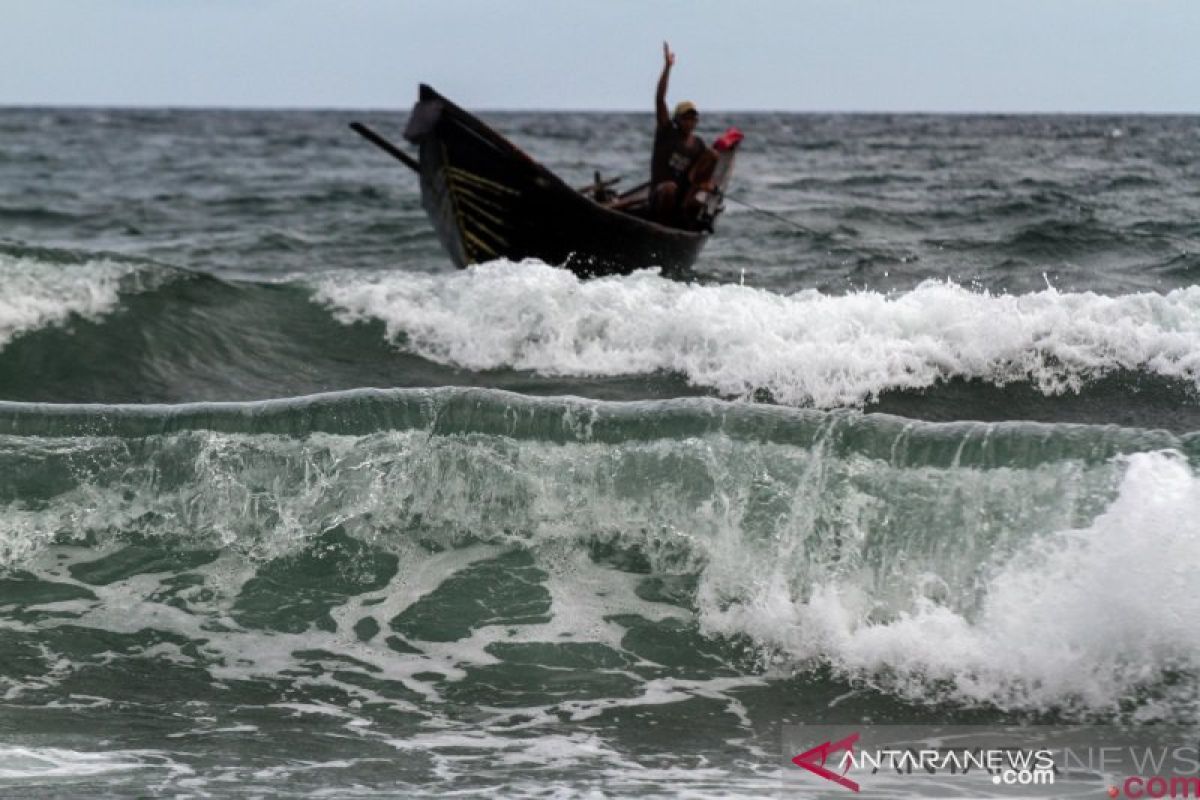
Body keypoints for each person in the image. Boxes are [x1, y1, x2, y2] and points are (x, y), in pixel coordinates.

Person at [650, 42, 717, 226]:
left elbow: (702, 171)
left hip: (683, 198)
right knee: (669, 188)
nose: (689, 122)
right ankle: (661, 226)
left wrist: (707, 185)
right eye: (685, 118)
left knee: (712, 156)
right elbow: (659, 98)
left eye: (693, 118)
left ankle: (684, 218)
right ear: (677, 119)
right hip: (660, 195)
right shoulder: (667, 132)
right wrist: (667, 68)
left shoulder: (697, 144)